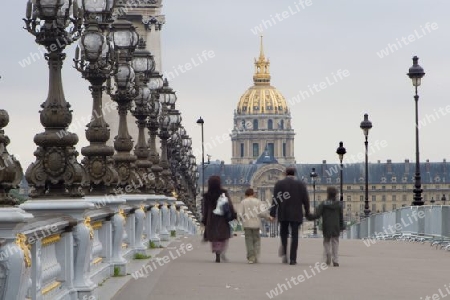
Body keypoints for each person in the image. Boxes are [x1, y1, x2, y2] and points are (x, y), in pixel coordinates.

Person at [270, 167, 310, 265]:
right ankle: (293, 259)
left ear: (285, 173)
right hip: (296, 214)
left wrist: (273, 213)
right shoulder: (301, 184)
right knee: (295, 236)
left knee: (283, 234)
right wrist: (307, 212)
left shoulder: (279, 184)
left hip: (283, 213)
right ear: (294, 174)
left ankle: (284, 251)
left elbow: (275, 200)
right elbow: (306, 200)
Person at [306, 186, 345, 267]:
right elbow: (341, 217)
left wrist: (308, 216)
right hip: (336, 226)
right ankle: (336, 260)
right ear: (335, 194)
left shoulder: (323, 204)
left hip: (327, 225)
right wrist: (342, 226)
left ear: (328, 194)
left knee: (326, 241)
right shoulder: (339, 205)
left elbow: (317, 215)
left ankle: (328, 253)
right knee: (335, 242)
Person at [202, 175, 237, 263]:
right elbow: (229, 205)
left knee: (214, 236)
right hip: (222, 217)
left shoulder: (207, 195)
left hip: (211, 218)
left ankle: (217, 251)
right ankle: (221, 250)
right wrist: (233, 214)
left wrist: (204, 219)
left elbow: (205, 209)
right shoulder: (223, 193)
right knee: (222, 236)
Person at [238, 188, 271, 264]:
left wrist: (240, 220)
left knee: (248, 240)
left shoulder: (243, 202)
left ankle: (251, 257)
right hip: (256, 224)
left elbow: (239, 214)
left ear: (246, 194)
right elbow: (262, 213)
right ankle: (256, 255)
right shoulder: (258, 202)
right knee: (256, 240)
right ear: (253, 194)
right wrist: (268, 217)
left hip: (247, 224)